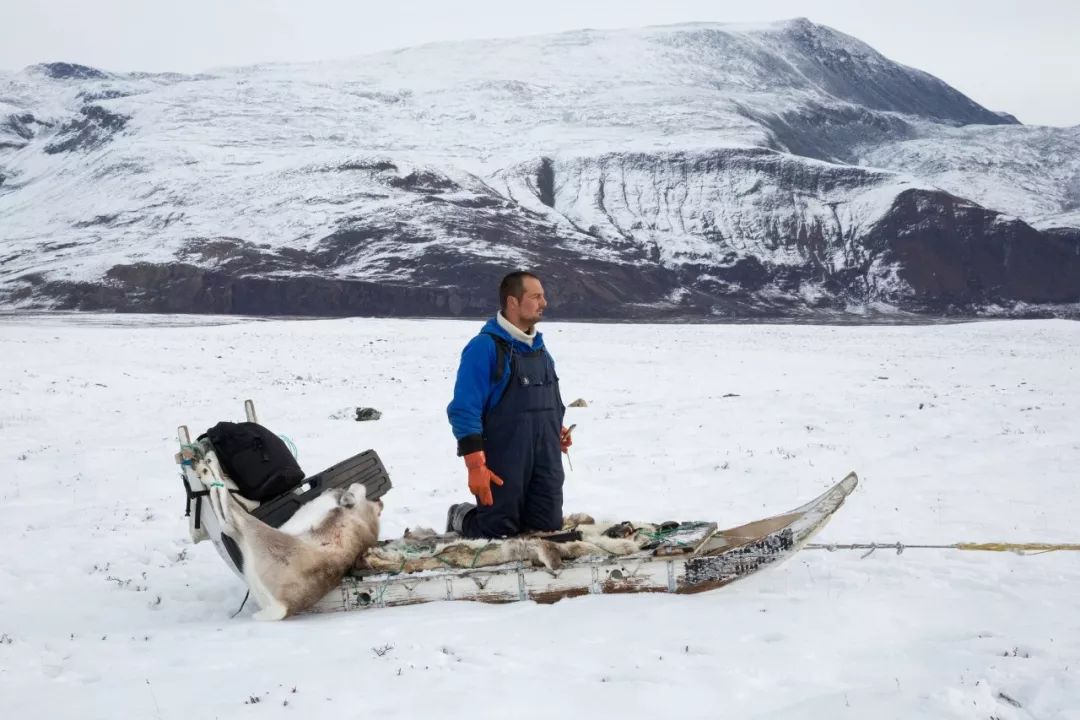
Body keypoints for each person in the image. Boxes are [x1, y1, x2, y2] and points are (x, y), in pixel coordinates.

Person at [445, 271, 573, 538]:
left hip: (545, 459)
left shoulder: (540, 350)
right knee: (497, 531)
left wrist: (554, 430)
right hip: (504, 460)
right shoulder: (485, 347)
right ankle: (461, 515)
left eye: (543, 296)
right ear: (513, 302)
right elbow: (464, 408)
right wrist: (474, 465)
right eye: (536, 296)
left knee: (546, 530)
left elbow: (549, 401)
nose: (544, 302)